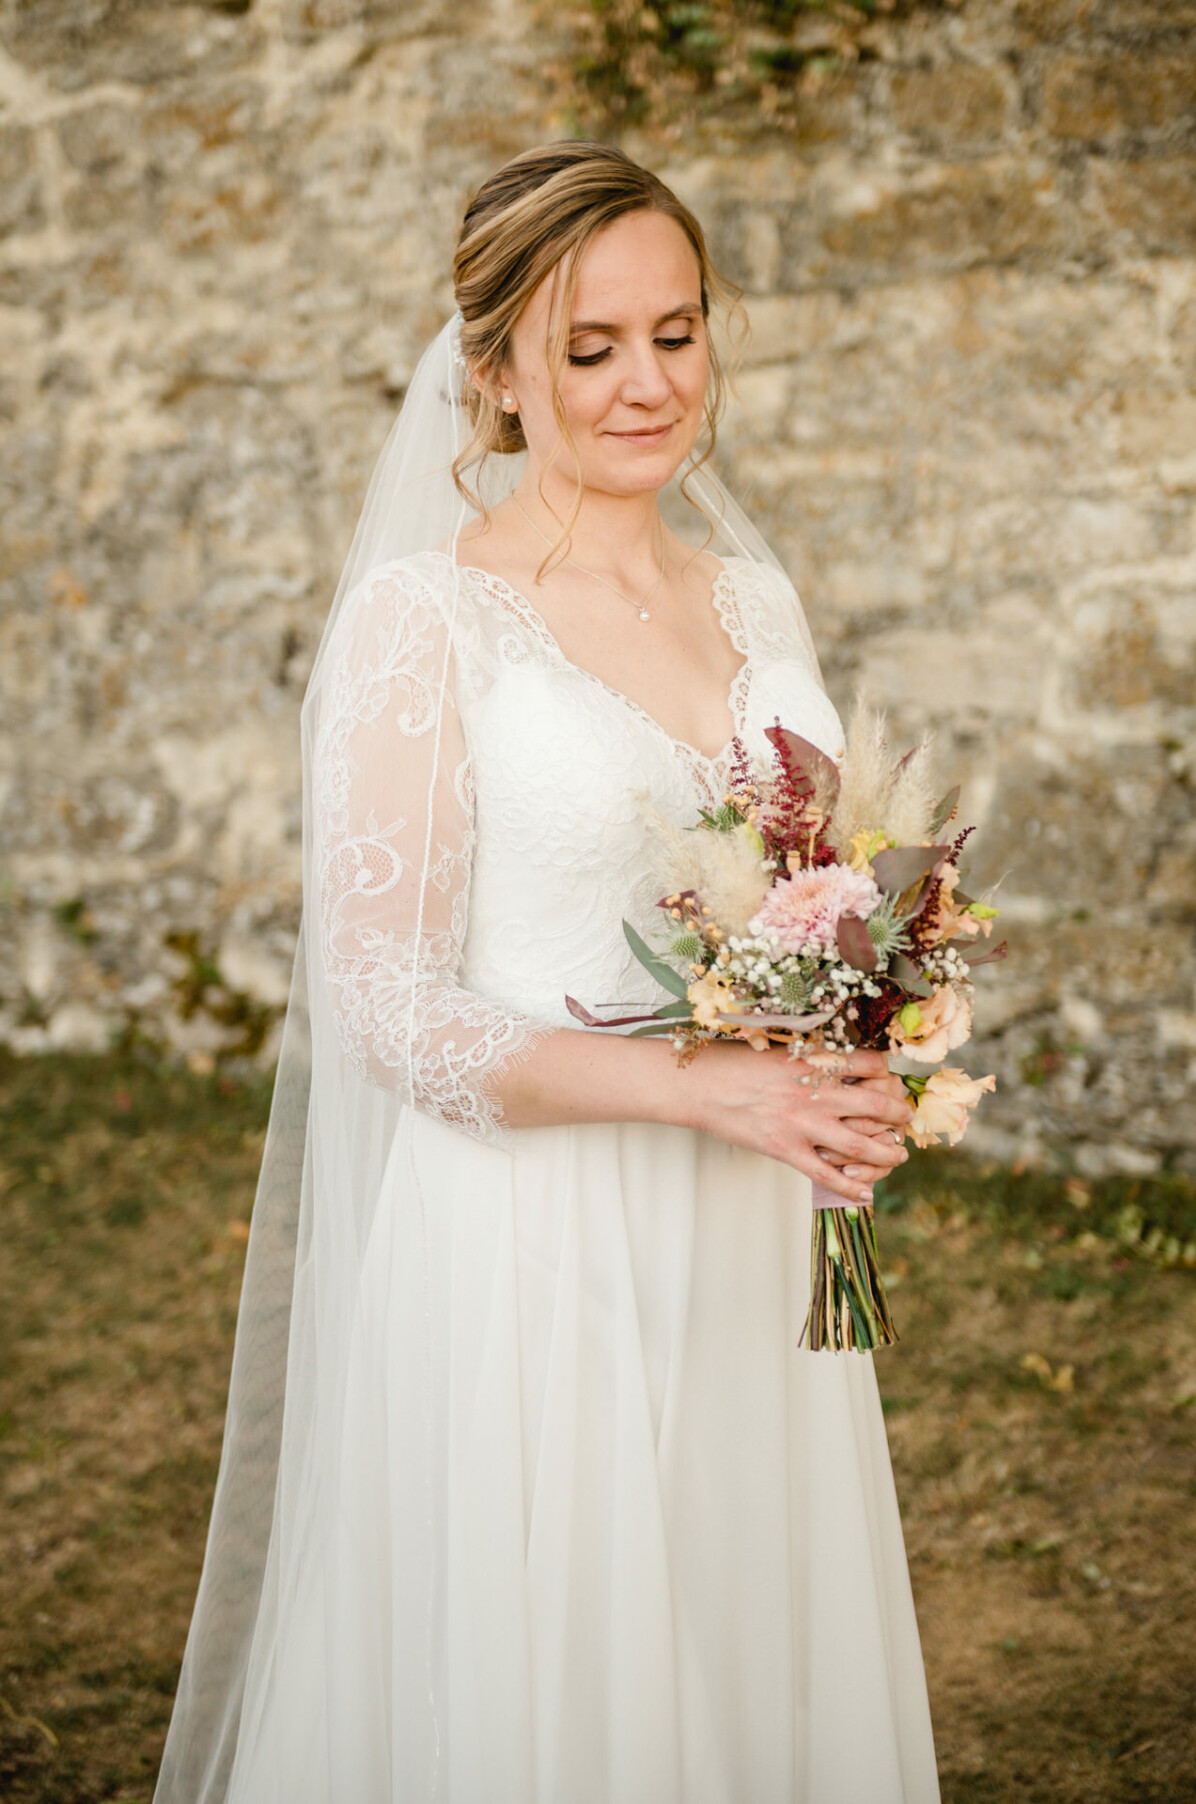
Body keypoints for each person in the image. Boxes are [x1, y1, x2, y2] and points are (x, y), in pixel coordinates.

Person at [155, 141, 941, 1804]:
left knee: (742, 1661)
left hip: (751, 1227)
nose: (648, 382)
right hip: (535, 1246)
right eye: (591, 347)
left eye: (679, 330)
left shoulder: (753, 597)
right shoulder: (422, 624)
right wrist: (703, 1083)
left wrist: (868, 1032)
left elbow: (820, 878)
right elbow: (385, 1011)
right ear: (497, 369)